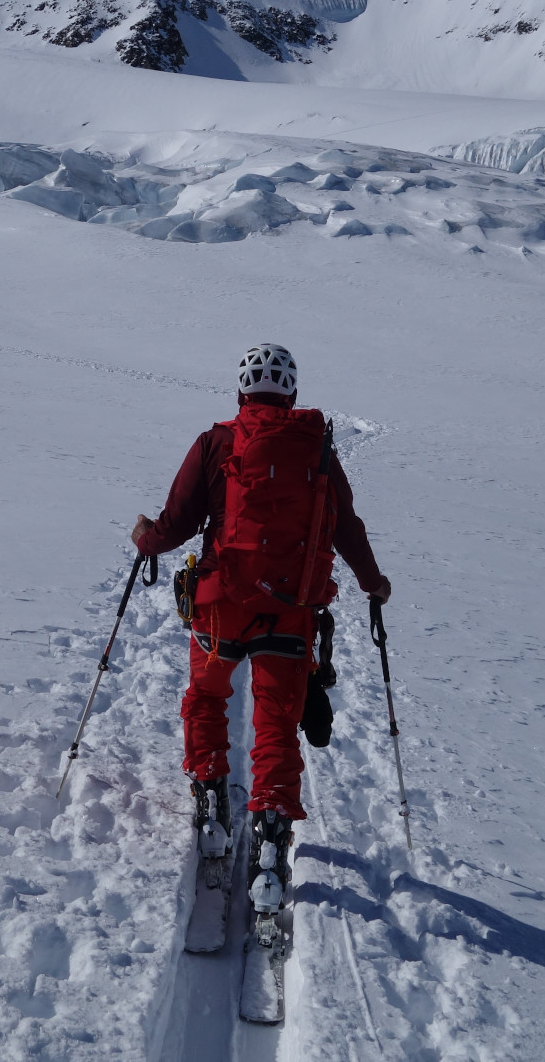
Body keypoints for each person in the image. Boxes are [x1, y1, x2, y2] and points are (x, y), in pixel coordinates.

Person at [130, 343, 389, 878]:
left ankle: (210, 805)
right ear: (291, 393)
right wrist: (373, 583)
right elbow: (346, 526)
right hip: (291, 611)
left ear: (241, 391)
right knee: (276, 721)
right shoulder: (316, 448)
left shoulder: (216, 443)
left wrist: (146, 539)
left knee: (206, 695)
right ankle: (271, 832)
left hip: (220, 607)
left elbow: (176, 523)